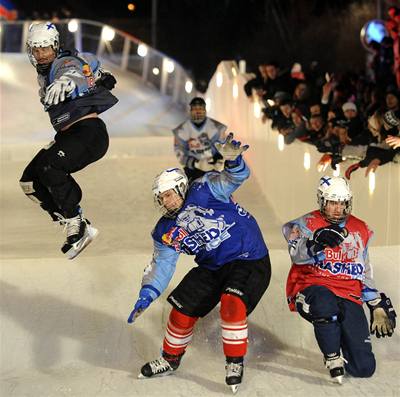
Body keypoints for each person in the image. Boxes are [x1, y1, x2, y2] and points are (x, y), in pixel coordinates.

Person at [127, 133, 271, 393]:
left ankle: (234, 362)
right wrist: (147, 292)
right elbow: (163, 264)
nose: (165, 202)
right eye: (161, 198)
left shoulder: (205, 189)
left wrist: (233, 160)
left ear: (182, 188)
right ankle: (170, 359)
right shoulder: (165, 229)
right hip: (213, 266)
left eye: (169, 195)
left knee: (232, 302)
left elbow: (234, 178)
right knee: (181, 309)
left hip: (247, 257)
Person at [282, 176, 396, 384]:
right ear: (322, 201)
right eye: (333, 202)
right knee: (325, 304)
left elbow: (364, 270)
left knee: (364, 368)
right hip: (313, 288)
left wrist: (375, 303)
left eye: (342, 203)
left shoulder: (361, 228)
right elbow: (296, 255)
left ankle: (342, 340)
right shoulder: (302, 224)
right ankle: (332, 356)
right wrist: (314, 243)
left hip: (348, 292)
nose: (338, 209)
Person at [19, 22, 118, 259]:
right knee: (30, 182)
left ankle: (77, 221)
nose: (42, 54)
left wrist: (68, 82)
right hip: (68, 135)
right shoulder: (46, 72)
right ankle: (70, 220)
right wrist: (98, 75)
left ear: (56, 47)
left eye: (46, 48)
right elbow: (88, 60)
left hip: (88, 133)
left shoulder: (61, 63)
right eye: (36, 49)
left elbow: (71, 69)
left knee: (49, 166)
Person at [172, 97, 227, 182]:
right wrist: (196, 163)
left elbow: (222, 146)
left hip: (213, 167)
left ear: (205, 110)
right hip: (192, 169)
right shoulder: (181, 130)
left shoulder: (218, 128)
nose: (198, 111)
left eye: (200, 108)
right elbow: (179, 153)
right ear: (190, 111)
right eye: (195, 109)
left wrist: (218, 160)